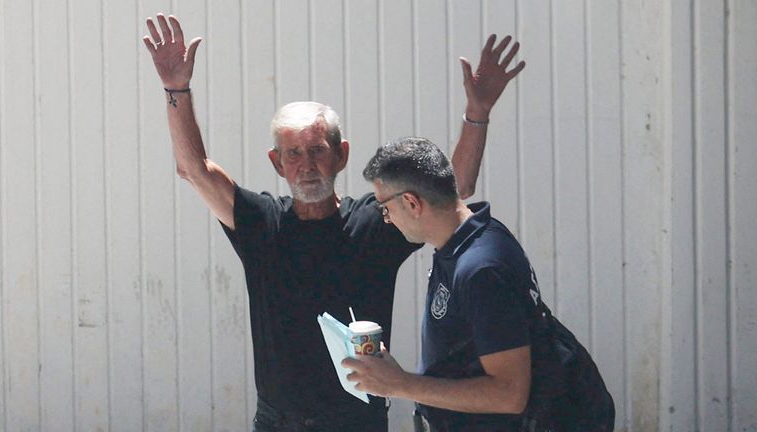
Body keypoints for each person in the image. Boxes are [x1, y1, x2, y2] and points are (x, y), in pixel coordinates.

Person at [143, 13, 525, 431]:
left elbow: (451, 191)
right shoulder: (261, 222)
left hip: (355, 421)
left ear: (341, 155)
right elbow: (194, 169)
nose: (306, 166)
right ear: (277, 163)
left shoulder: (376, 222)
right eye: (293, 154)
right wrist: (175, 88)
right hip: (278, 422)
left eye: (317, 151)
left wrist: (477, 112)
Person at [344, 137, 614, 431]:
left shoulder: (482, 269)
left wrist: (400, 384)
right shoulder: (467, 239)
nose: (386, 220)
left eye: (385, 209)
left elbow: (509, 394)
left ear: (411, 202)